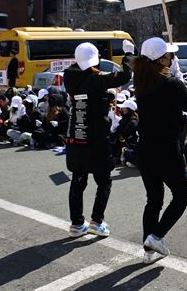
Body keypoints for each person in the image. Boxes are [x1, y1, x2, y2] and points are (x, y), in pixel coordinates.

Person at [133, 37, 187, 263]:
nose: (172, 58)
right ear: (161, 59)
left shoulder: (141, 82)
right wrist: (178, 79)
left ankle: (149, 251)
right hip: (167, 149)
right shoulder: (171, 84)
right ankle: (156, 236)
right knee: (182, 195)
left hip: (145, 148)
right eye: (169, 55)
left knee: (154, 199)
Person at [63, 42, 132, 239]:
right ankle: (97, 221)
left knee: (78, 180)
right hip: (96, 138)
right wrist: (127, 56)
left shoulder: (69, 77)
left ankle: (77, 224)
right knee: (104, 181)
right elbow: (124, 76)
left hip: (76, 135)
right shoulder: (94, 79)